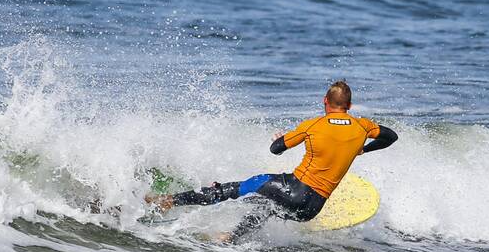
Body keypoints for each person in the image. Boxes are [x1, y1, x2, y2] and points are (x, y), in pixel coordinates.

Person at [146, 81, 398, 241]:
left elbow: (276, 149)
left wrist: (279, 138)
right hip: (313, 207)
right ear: (350, 105)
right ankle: (230, 238)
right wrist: (362, 150)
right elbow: (390, 136)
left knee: (242, 186)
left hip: (296, 188)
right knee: (265, 207)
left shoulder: (313, 125)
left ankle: (169, 201)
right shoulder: (362, 126)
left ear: (325, 101)